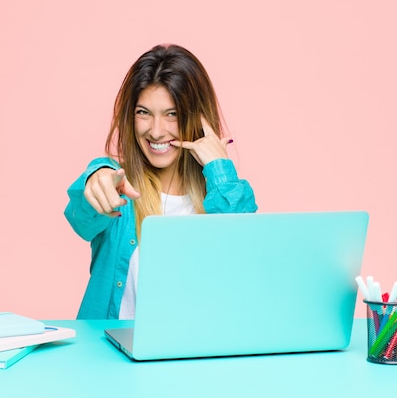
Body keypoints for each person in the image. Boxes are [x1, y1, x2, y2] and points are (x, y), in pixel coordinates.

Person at [64, 44, 257, 319]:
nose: (156, 131)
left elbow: (248, 262)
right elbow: (82, 217)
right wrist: (98, 179)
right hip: (110, 359)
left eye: (172, 114)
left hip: (195, 358)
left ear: (198, 117)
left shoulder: (219, 193)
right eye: (143, 112)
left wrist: (220, 170)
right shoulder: (119, 187)